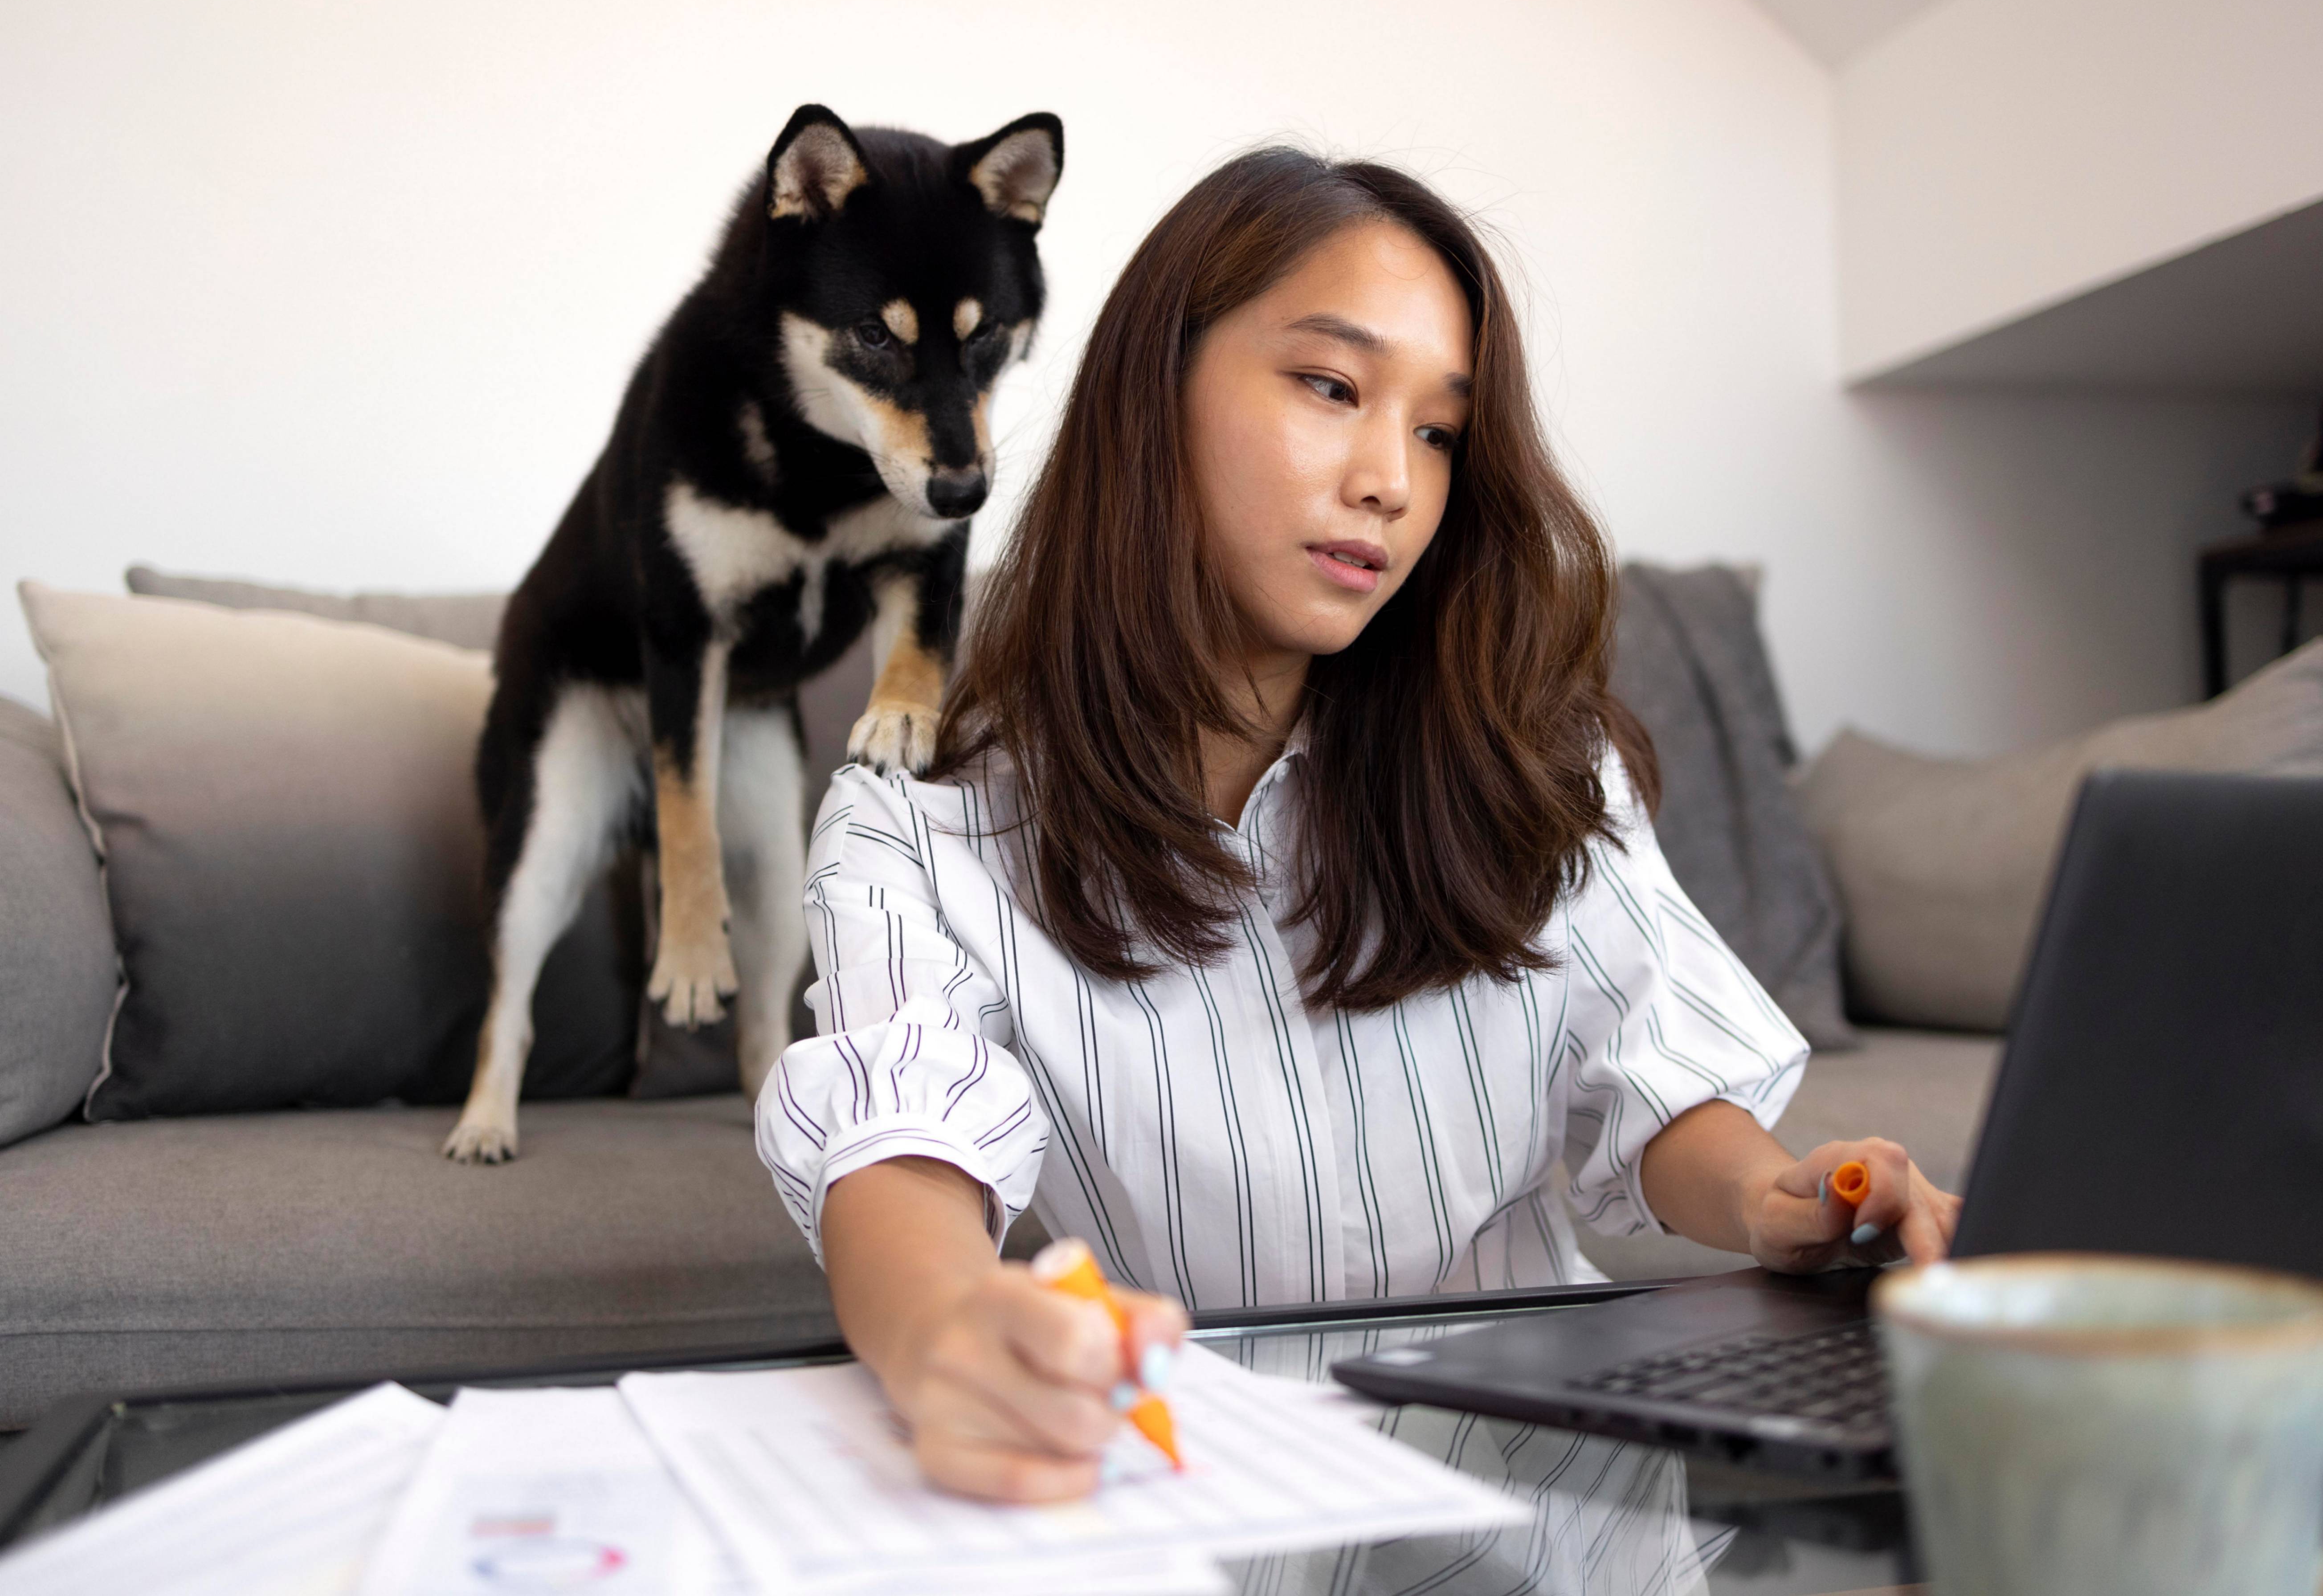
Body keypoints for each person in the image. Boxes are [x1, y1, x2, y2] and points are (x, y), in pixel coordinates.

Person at [754, 147, 1960, 1504]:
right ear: (1152, 396)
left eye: (1439, 431)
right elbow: (899, 1152)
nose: (1391, 479)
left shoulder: (1526, 755)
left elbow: (1657, 1075)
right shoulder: (914, 828)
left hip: (1554, 1507)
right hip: (1206, 1504)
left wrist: (1782, 1200)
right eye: (1330, 388)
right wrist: (946, 1336)